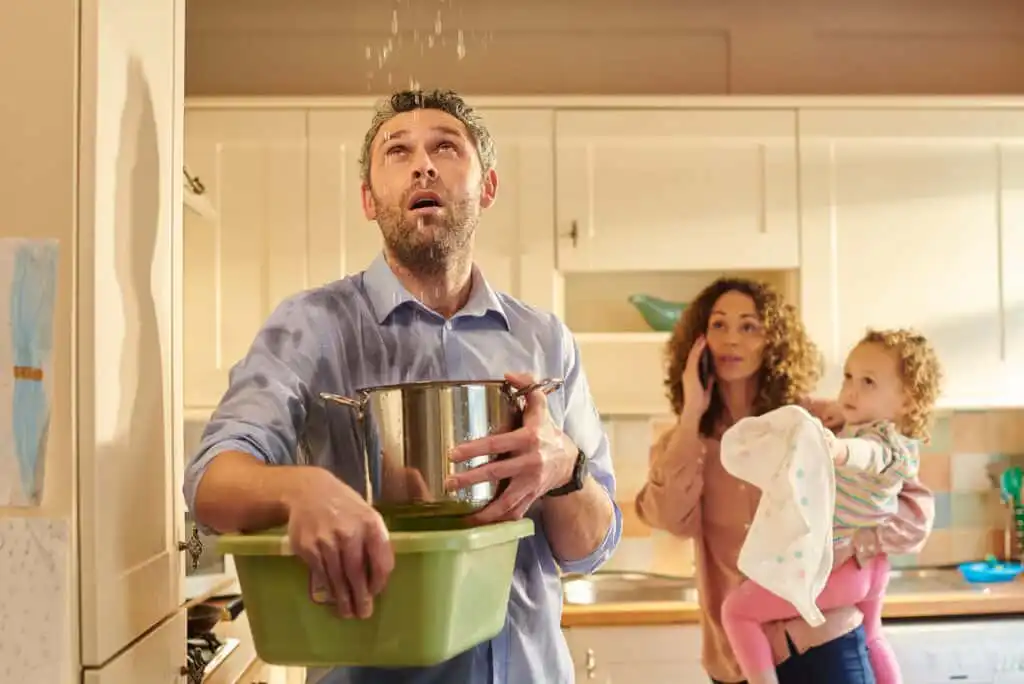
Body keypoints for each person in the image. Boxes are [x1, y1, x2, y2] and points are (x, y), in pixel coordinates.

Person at [183, 89, 622, 684]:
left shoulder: (546, 340)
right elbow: (210, 484)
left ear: (487, 187)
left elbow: (590, 549)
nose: (423, 163)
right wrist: (301, 489)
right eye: (398, 151)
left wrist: (565, 469)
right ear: (369, 199)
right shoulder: (313, 327)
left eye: (446, 146)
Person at [634, 278, 935, 684]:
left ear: (773, 340)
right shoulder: (685, 443)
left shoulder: (815, 423)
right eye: (719, 325)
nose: (732, 340)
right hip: (737, 660)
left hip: (823, 640)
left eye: (749, 326)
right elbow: (669, 520)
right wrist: (691, 413)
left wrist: (855, 546)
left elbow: (915, 516)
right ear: (699, 341)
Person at [719, 328, 943, 684]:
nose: (851, 390)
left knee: (736, 611)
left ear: (908, 401)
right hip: (868, 568)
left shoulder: (886, 446)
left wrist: (837, 451)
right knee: (873, 636)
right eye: (849, 377)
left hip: (845, 569)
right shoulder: (865, 429)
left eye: (868, 381)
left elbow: (868, 456)